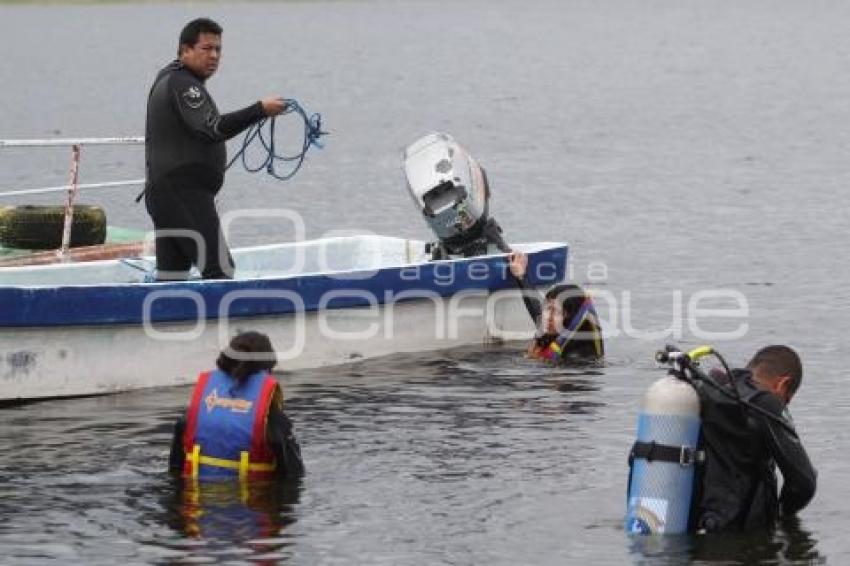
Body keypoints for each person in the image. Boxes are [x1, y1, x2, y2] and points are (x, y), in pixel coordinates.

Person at [144, 18, 287, 280]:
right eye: (206, 48)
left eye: (218, 49)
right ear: (184, 50)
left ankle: (159, 319)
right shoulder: (183, 85)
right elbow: (213, 128)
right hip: (182, 194)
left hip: (167, 195)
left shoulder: (175, 78)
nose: (214, 56)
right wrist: (260, 110)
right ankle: (228, 321)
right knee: (219, 270)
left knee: (171, 280)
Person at [690, 345, 816, 533]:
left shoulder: (709, 387)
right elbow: (804, 482)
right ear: (783, 384)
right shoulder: (763, 402)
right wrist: (783, 515)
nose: (784, 404)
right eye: (786, 399)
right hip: (738, 539)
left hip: (696, 524)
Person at [169, 331, 304, 480]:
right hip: (257, 500)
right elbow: (294, 476)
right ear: (267, 371)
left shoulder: (190, 418)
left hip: (195, 500)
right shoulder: (275, 422)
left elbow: (174, 470)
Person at [508, 251, 604, 362]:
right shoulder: (555, 326)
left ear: (569, 316)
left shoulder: (577, 356)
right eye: (547, 309)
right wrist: (521, 276)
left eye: (555, 312)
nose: (547, 317)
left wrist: (532, 359)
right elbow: (536, 309)